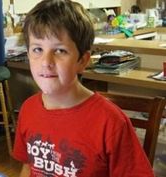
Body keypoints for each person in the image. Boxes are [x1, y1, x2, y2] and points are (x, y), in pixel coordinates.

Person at [12, 0, 155, 176]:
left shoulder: (111, 122)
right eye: (37, 49)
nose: (46, 62)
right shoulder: (28, 109)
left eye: (60, 51)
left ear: (82, 61)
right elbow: (28, 166)